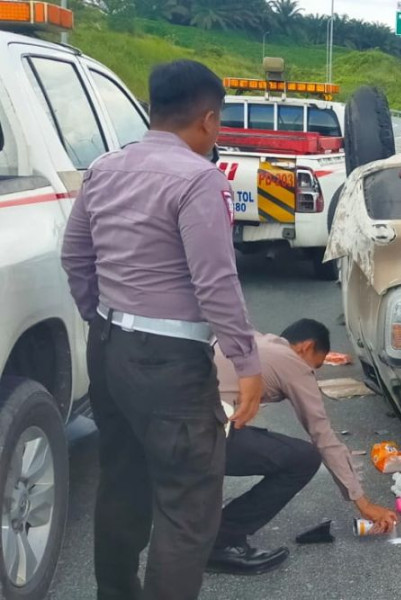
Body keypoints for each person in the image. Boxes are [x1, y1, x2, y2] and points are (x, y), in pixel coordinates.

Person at [61, 60, 263, 600]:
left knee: (122, 481)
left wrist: (99, 321)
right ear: (209, 118)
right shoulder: (198, 180)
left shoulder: (104, 168)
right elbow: (216, 282)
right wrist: (247, 363)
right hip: (169, 364)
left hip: (107, 346)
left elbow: (76, 256)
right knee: (187, 503)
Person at [207, 319, 398, 575]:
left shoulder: (255, 340)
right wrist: (363, 503)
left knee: (252, 437)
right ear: (306, 348)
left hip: (166, 425)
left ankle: (206, 526)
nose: (313, 373)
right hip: (201, 435)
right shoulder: (292, 362)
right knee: (304, 458)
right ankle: (221, 541)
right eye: (316, 365)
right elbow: (323, 436)